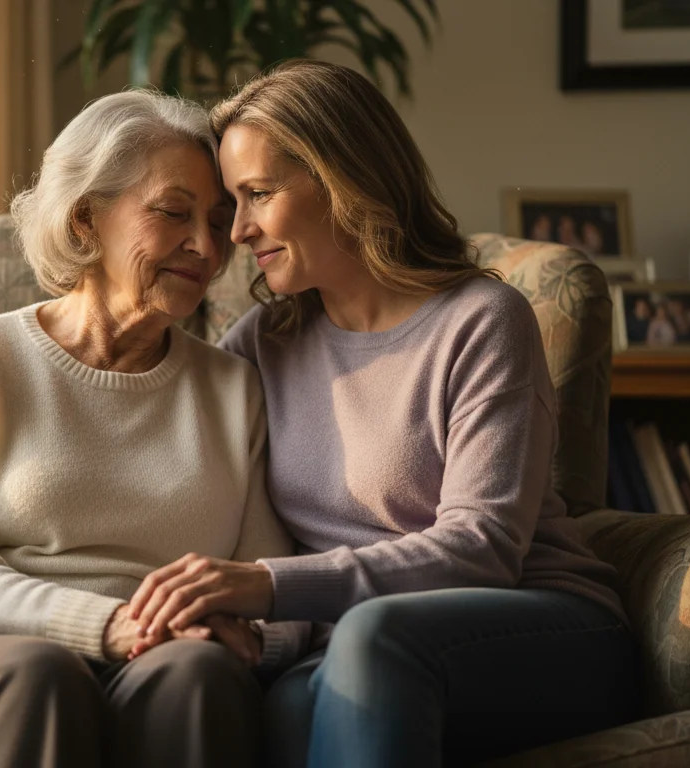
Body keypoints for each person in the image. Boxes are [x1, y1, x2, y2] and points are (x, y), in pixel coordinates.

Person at [125, 61, 635, 767]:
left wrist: (266, 587)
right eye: (232, 205)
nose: (237, 231)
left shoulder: (482, 321)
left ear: (343, 179)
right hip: (350, 648)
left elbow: (482, 547)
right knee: (284, 702)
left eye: (257, 195)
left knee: (372, 640)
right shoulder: (258, 347)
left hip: (537, 627)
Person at [0, 89, 307, 768]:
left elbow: (269, 582)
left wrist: (247, 639)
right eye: (172, 213)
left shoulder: (231, 387)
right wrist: (108, 625)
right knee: (41, 677)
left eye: (219, 222)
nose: (206, 247)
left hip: (163, 656)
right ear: (84, 220)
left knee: (201, 678)